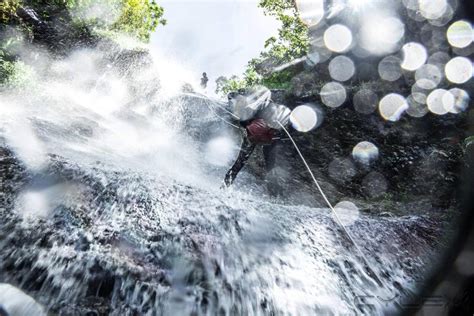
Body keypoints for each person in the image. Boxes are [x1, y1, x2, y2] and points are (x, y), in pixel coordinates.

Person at [223, 86, 291, 187]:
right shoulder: (272, 107)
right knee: (270, 166)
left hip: (253, 137)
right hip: (270, 138)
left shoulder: (252, 106)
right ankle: (274, 193)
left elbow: (244, 122)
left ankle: (225, 185)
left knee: (239, 162)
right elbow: (281, 127)